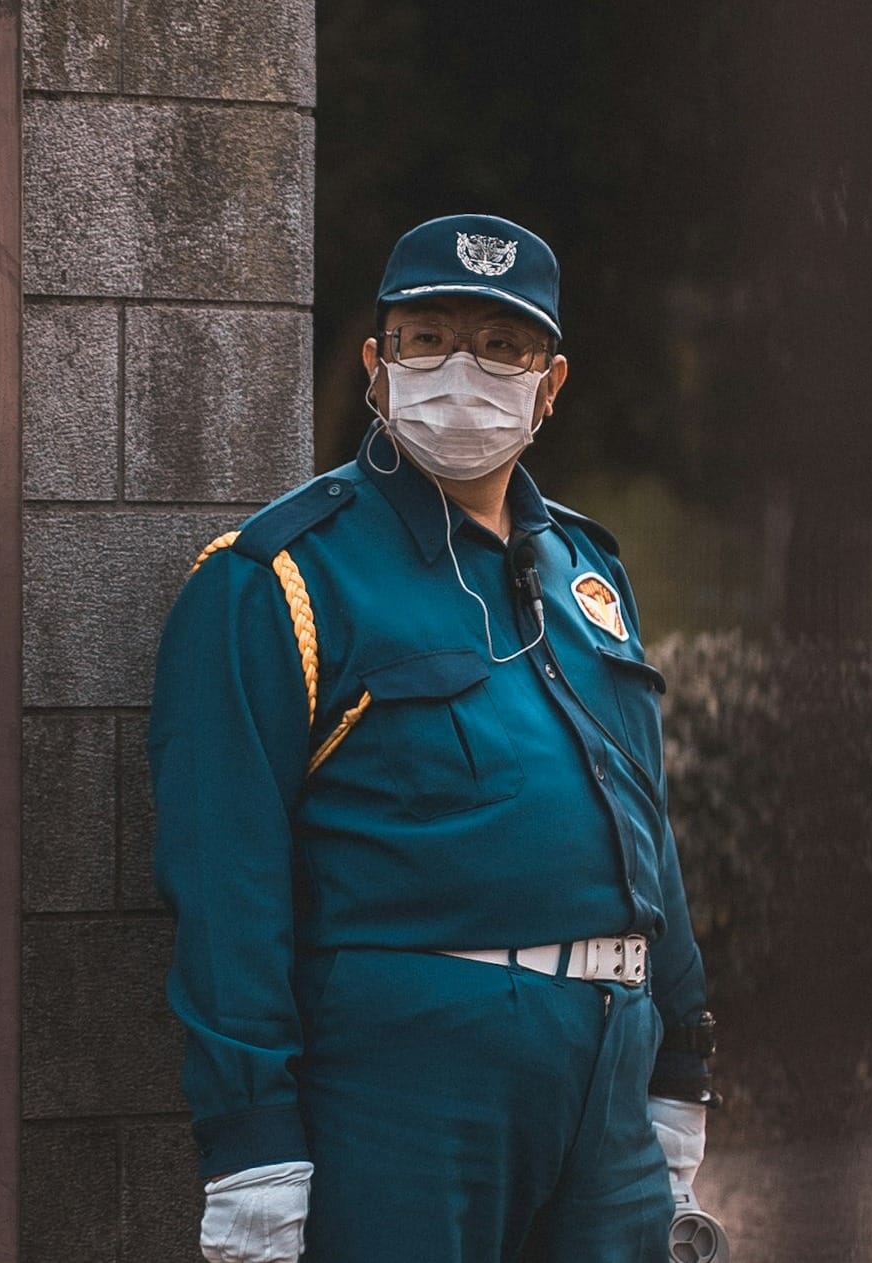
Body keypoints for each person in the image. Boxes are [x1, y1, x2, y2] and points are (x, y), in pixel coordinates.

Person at [150, 213, 720, 1263]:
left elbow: (640, 820)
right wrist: (252, 1150)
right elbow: (224, 880)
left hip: (608, 1078)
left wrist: (679, 1059)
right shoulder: (277, 577)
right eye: (427, 337)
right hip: (407, 1085)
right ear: (377, 365)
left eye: (502, 347)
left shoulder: (585, 572)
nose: (462, 370)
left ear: (549, 386)